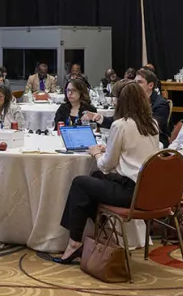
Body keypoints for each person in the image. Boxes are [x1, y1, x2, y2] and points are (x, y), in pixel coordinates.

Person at [52, 81, 160, 263]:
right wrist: (107, 149)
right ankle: (104, 234)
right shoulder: (152, 124)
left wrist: (95, 153)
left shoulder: (121, 125)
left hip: (129, 192)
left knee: (80, 183)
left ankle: (74, 243)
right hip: (148, 191)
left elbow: (105, 165)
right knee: (94, 179)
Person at [135, 68, 170, 146]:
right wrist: (101, 119)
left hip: (155, 142)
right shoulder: (133, 100)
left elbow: (153, 127)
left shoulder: (161, 104)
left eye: (139, 82)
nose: (135, 85)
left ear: (150, 85)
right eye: (135, 82)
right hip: (136, 137)